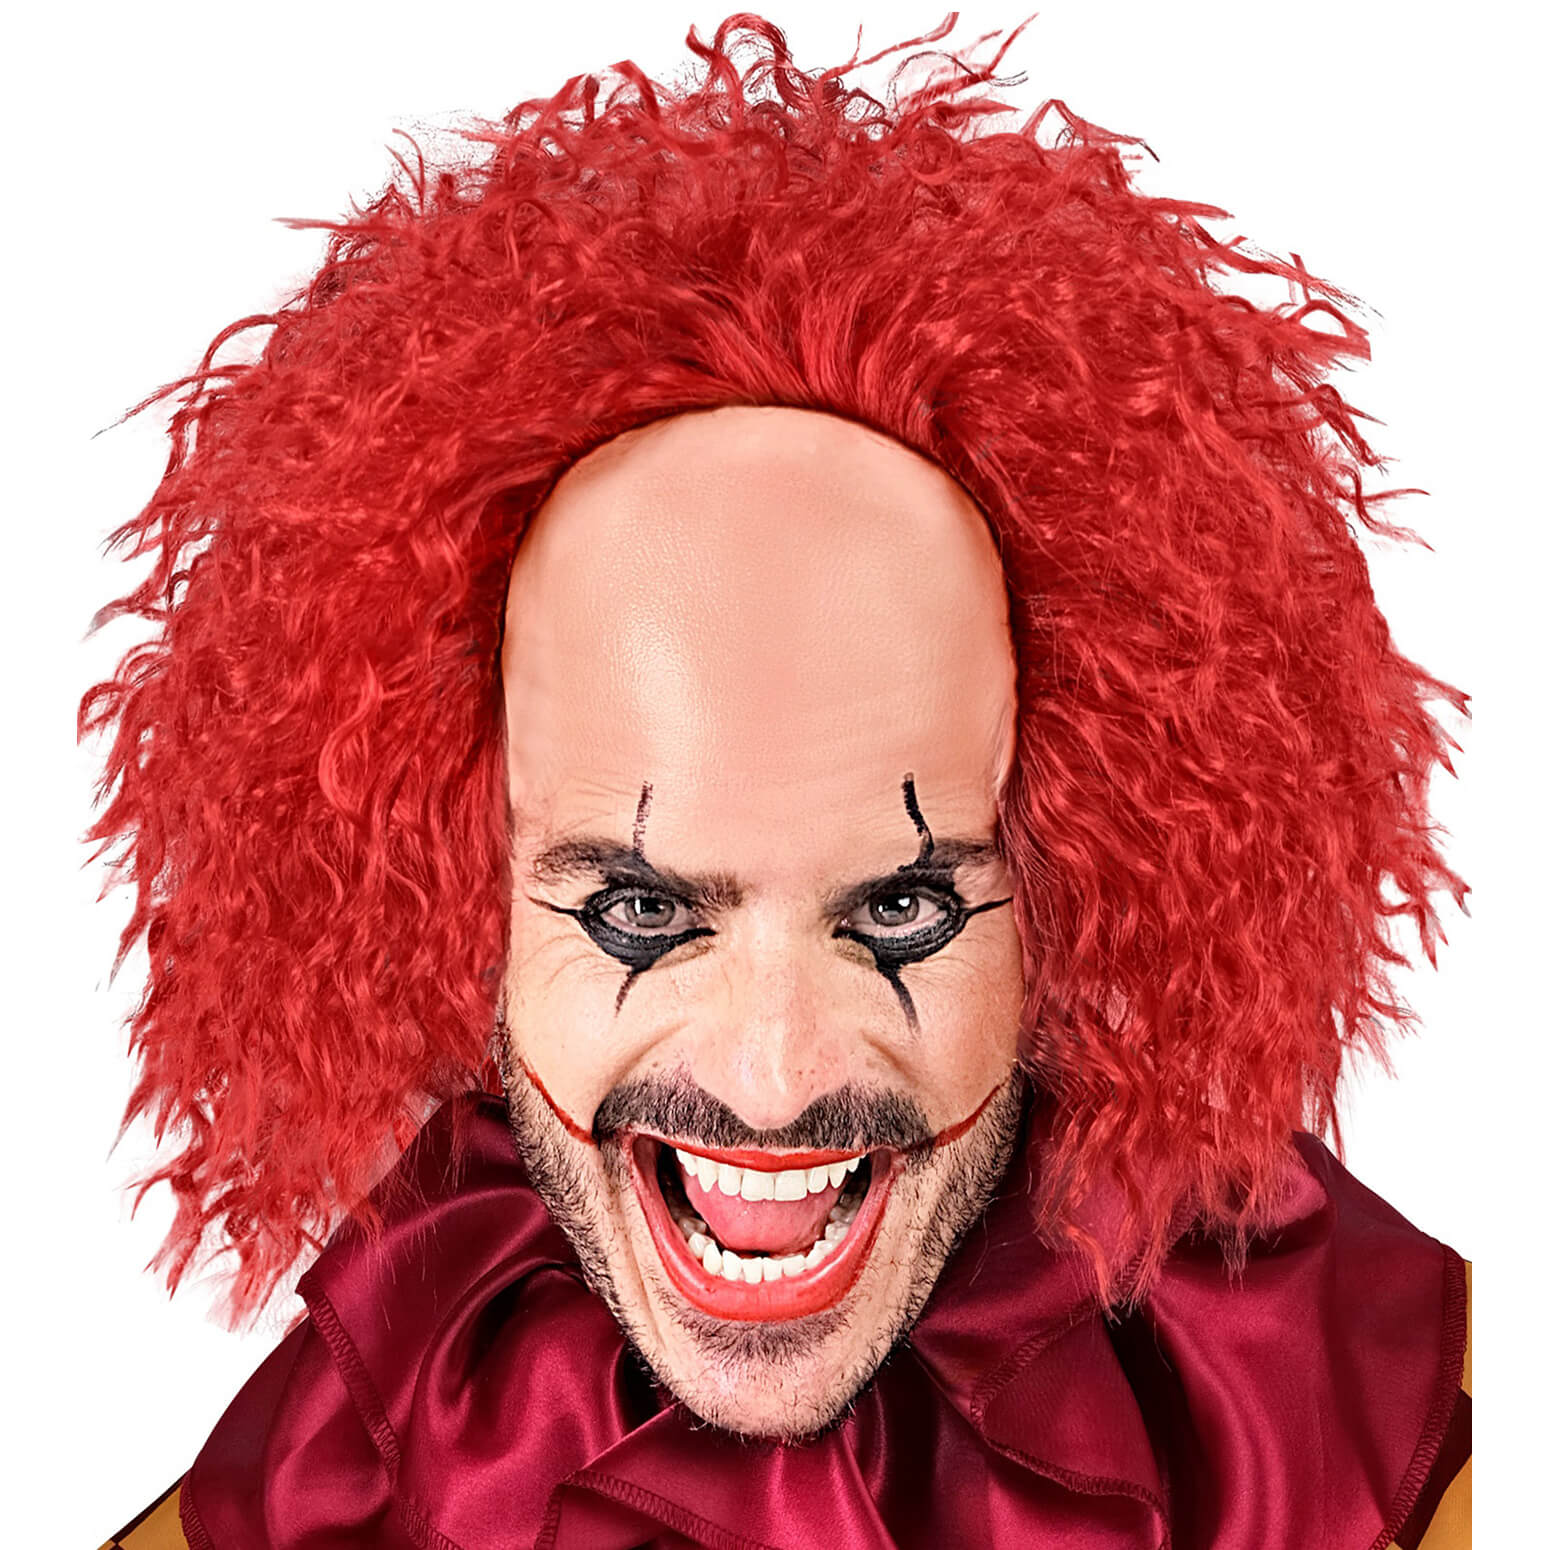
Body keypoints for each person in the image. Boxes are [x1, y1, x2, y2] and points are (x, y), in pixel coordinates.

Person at [86, 14, 1471, 1548]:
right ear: (455, 901)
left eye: (902, 908)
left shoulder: (1383, 1437)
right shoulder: (328, 1471)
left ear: (1070, 901)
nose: (770, 1077)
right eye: (635, 909)